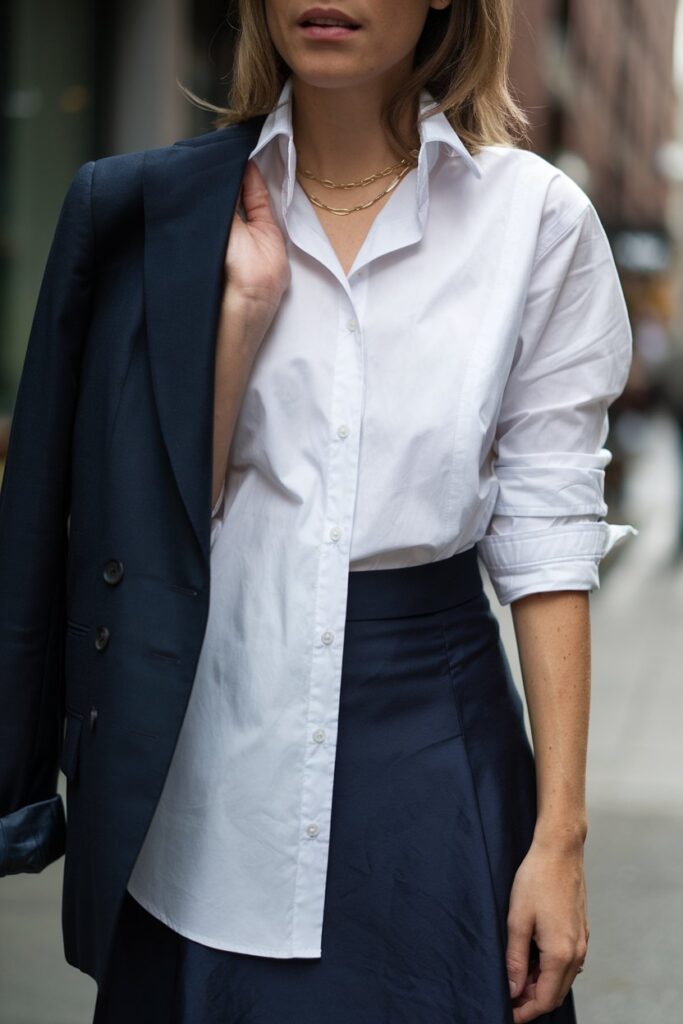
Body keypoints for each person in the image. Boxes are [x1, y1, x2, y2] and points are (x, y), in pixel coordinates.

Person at [0, 1, 637, 1022]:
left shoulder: (532, 219)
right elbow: (121, 526)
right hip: (204, 744)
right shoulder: (152, 211)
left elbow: (545, 536)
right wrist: (239, 325)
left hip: (432, 751)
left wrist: (556, 839)